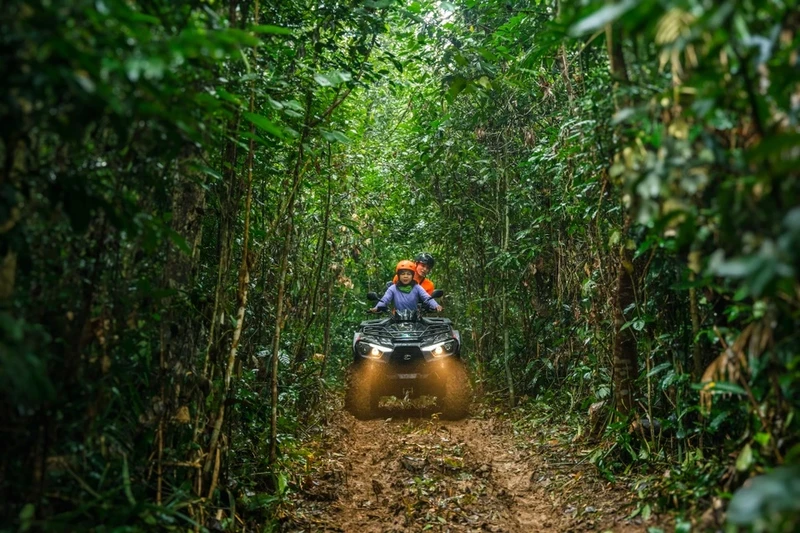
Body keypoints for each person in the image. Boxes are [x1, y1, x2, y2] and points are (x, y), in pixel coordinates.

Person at [373, 260, 442, 313]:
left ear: (412, 276)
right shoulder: (393, 288)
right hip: (397, 319)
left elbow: (427, 297)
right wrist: (377, 308)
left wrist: (436, 305)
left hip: (414, 319)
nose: (405, 276)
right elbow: (385, 299)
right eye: (402, 274)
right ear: (398, 275)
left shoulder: (417, 287)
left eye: (408, 274)